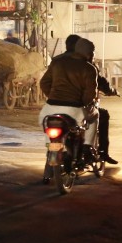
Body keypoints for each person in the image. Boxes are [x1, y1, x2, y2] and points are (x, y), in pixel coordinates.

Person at [39, 36, 100, 182]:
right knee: (95, 116)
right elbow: (89, 95)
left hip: (49, 109)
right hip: (74, 109)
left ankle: (49, 169)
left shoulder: (57, 62)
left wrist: (53, 97)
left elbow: (44, 83)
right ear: (89, 53)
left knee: (51, 141)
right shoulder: (89, 68)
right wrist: (84, 104)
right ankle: (87, 147)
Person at [56, 34, 119, 164]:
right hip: (77, 106)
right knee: (99, 115)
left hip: (55, 105)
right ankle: (98, 151)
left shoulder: (57, 61)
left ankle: (53, 165)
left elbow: (46, 83)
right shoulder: (86, 63)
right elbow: (99, 83)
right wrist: (111, 91)